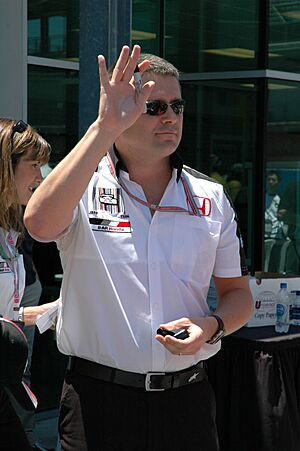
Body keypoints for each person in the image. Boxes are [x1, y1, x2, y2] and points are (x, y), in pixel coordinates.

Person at [25, 45, 254, 451]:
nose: (170, 116)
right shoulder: (83, 185)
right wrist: (103, 128)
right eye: (154, 107)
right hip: (98, 404)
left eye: (178, 106)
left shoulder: (211, 197)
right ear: (125, 111)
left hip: (189, 400)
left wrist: (211, 326)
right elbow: (39, 224)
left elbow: (238, 296)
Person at [0, 118, 50, 450]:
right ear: (5, 167)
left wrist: (41, 314)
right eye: (34, 165)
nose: (40, 177)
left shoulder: (11, 227)